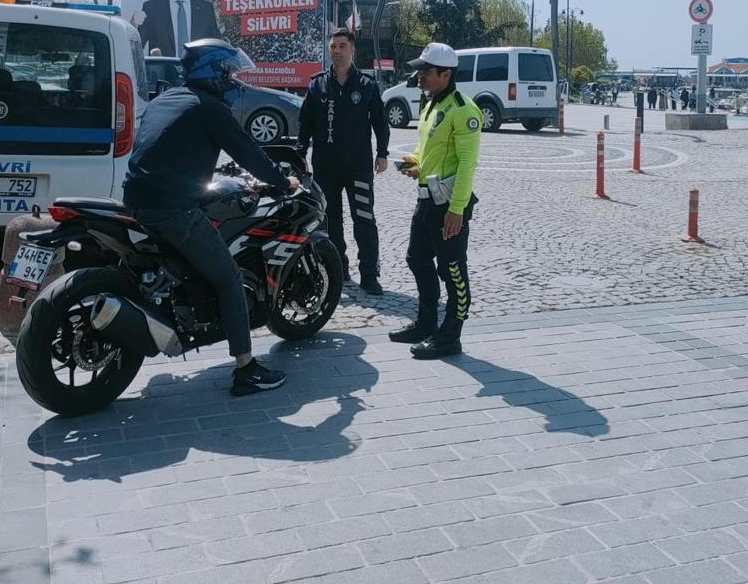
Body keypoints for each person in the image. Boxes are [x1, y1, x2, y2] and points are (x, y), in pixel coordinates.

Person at [122, 38, 299, 396]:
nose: (233, 78)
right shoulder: (210, 109)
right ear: (215, 71)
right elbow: (250, 153)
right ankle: (246, 369)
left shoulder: (166, 99)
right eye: (229, 71)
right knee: (229, 278)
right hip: (173, 208)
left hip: (135, 200)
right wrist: (283, 181)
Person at [389, 42, 482, 359]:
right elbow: (429, 152)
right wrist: (415, 162)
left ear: (446, 74)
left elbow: (468, 164)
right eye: (420, 71)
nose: (419, 76)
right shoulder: (430, 105)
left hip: (449, 205)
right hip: (427, 200)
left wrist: (457, 210)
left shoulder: (463, 110)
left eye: (426, 71)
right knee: (416, 259)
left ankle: (451, 336)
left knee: (452, 269)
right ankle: (427, 322)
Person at [297, 28, 389, 295]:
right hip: (326, 167)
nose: (336, 51)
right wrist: (300, 151)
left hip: (358, 167)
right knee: (330, 221)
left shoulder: (367, 86)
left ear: (352, 50)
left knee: (364, 220)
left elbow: (380, 123)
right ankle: (340, 271)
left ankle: (370, 274)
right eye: (332, 46)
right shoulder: (317, 85)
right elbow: (305, 123)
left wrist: (382, 153)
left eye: (341, 46)